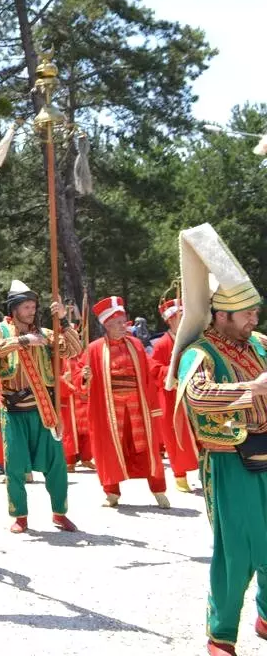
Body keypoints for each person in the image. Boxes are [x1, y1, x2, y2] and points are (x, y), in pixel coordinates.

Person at [172, 223, 267, 655]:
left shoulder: (259, 344)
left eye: (255, 313)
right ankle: (221, 635)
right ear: (220, 315)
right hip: (231, 463)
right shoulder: (200, 352)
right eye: (246, 314)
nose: (254, 319)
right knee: (238, 554)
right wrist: (253, 390)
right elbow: (197, 396)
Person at [0, 280, 80, 535]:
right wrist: (24, 341)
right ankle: (20, 516)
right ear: (14, 309)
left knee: (56, 464)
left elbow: (74, 349)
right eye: (25, 306)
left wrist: (64, 321)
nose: (31, 311)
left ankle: (60, 513)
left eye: (33, 306)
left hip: (43, 409)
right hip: (13, 409)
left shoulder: (47, 335)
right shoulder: (1, 333)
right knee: (14, 466)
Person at [85, 296, 168, 510]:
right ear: (107, 325)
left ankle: (158, 490)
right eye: (119, 323)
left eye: (124, 322)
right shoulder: (94, 349)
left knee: (147, 447)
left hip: (137, 405)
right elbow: (78, 376)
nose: (125, 326)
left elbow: (151, 367)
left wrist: (168, 374)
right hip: (109, 408)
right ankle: (111, 493)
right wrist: (84, 376)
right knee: (110, 448)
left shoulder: (136, 345)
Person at [149, 297, 198, 492]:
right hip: (172, 398)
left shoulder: (193, 340)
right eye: (180, 317)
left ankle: (204, 470)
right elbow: (154, 369)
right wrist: (170, 371)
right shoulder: (162, 344)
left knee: (198, 434)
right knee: (176, 435)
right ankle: (180, 475)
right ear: (170, 320)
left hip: (193, 395)